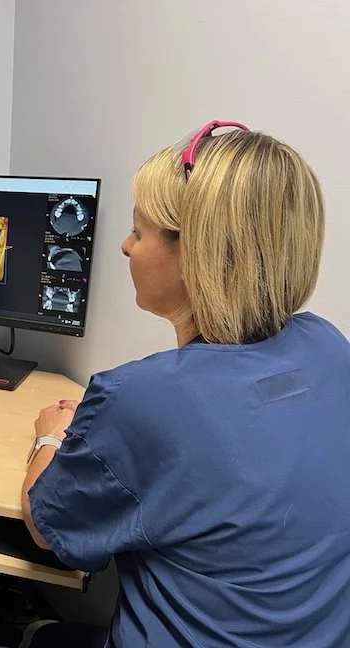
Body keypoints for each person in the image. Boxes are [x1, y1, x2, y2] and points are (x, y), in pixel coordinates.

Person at [21, 121, 350, 646]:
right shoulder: (329, 348)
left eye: (140, 230)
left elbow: (47, 527)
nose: (127, 247)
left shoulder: (142, 396)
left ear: (195, 251)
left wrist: (51, 435)